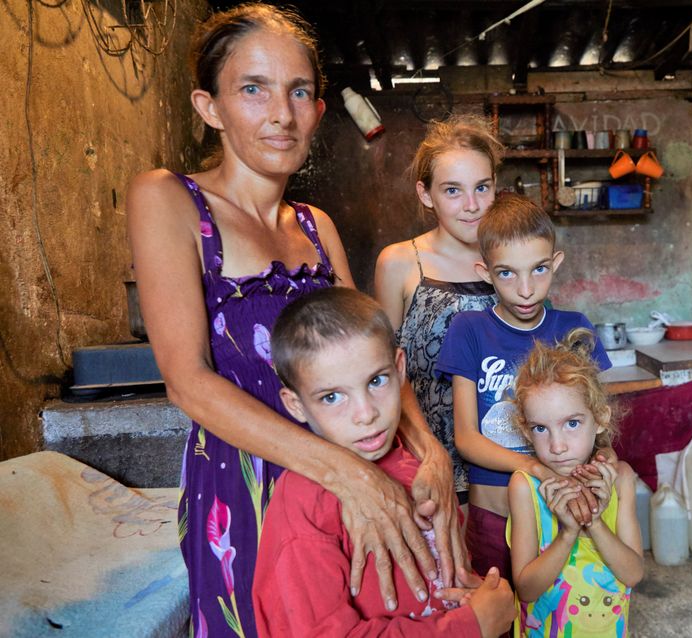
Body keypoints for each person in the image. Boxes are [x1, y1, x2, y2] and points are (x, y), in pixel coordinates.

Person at [126, 5, 461, 635]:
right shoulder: (169, 199)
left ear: (317, 109)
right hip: (245, 488)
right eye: (253, 89)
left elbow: (372, 355)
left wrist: (429, 450)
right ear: (209, 107)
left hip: (351, 483)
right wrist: (350, 476)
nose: (282, 114)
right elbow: (187, 380)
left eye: (299, 91)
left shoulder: (316, 226)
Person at [253, 287, 516, 637]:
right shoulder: (303, 505)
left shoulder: (420, 464)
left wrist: (483, 596)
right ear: (296, 405)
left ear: (399, 368)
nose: (366, 414)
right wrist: (469, 625)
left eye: (376, 381)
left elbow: (443, 582)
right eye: (332, 397)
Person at [435, 194, 612, 584]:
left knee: (556, 616)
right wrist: (536, 469)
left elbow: (598, 426)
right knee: (497, 616)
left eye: (539, 269)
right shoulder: (469, 330)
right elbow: (465, 438)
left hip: (561, 513)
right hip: (493, 516)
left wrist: (609, 466)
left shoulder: (575, 327)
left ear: (557, 263)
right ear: (486, 272)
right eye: (507, 273)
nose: (527, 289)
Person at [374, 116, 504, 505]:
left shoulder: (512, 259)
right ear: (426, 194)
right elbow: (383, 370)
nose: (472, 206)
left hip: (504, 466)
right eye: (452, 190)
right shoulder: (400, 262)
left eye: (482, 187)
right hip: (428, 464)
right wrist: (421, 454)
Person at [507, 328, 644, 637]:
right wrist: (567, 534)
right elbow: (526, 589)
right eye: (541, 429)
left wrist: (594, 521)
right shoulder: (524, 488)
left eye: (572, 423)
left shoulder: (620, 478)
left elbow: (633, 574)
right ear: (526, 432)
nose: (557, 446)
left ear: (600, 418)